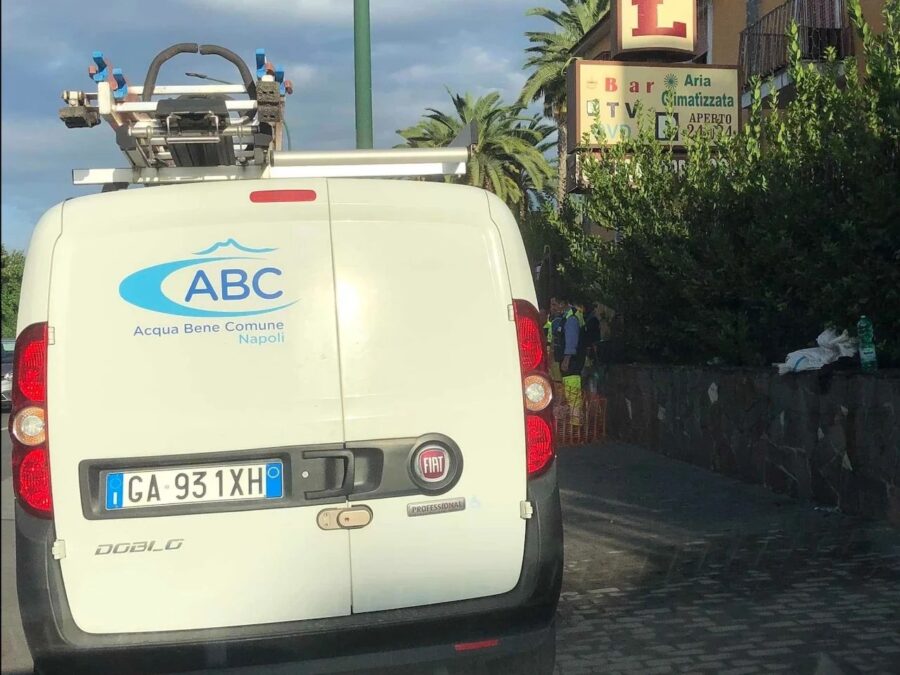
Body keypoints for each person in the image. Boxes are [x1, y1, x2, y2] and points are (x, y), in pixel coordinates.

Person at [558, 296, 585, 425]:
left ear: (563, 303)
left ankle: (576, 425)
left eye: (555, 304)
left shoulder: (571, 319)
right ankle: (574, 423)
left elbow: (571, 341)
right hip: (571, 362)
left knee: (573, 393)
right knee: (571, 392)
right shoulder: (568, 317)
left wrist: (566, 359)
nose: (554, 307)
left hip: (572, 363)